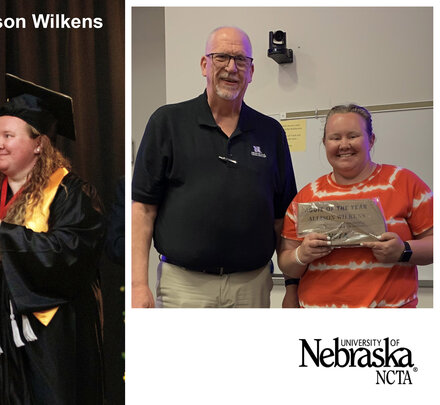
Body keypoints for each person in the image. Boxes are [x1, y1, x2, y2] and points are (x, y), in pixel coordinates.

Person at [0, 74, 104, 404]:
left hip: (46, 344)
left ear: (39, 143)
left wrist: (0, 229)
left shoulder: (70, 194)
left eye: (8, 135)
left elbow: (70, 257)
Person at [131, 26, 297, 308]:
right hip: (184, 287)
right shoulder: (168, 122)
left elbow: (284, 220)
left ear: (252, 71)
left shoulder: (271, 133)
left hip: (252, 286)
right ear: (204, 65)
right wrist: (137, 285)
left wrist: (292, 287)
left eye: (241, 60)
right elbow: (143, 209)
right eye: (222, 57)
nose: (232, 68)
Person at [278, 104, 433, 308]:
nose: (344, 145)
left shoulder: (403, 182)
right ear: (325, 143)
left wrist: (403, 250)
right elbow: (287, 263)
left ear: (371, 140)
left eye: (353, 136)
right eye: (335, 138)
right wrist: (301, 255)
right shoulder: (307, 196)